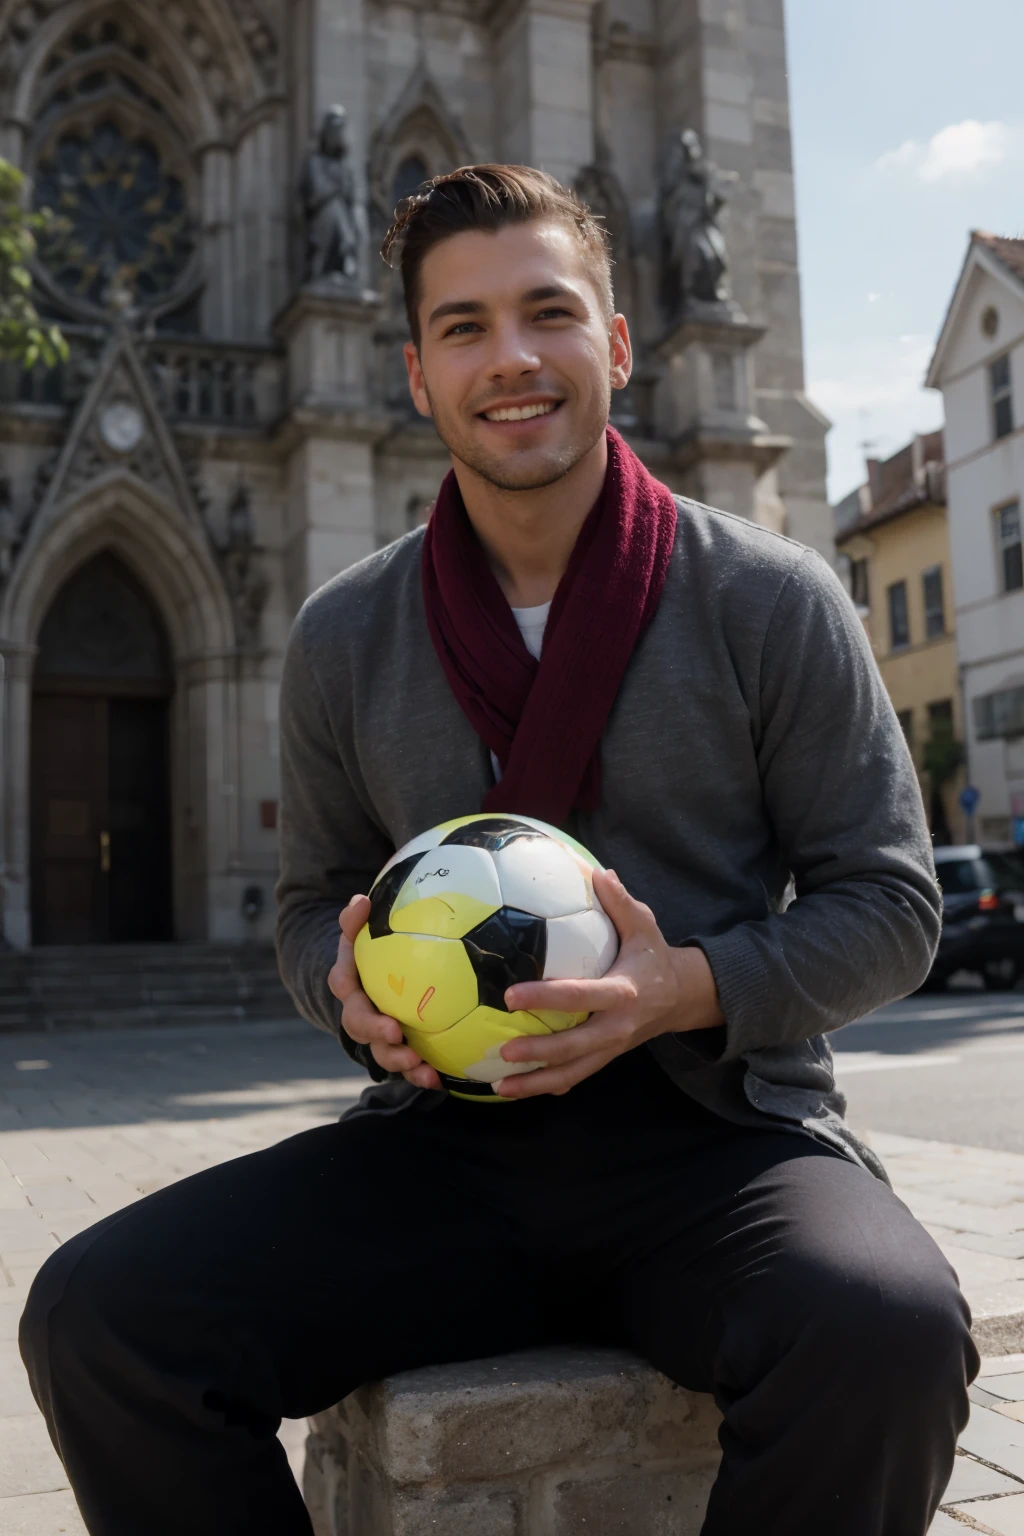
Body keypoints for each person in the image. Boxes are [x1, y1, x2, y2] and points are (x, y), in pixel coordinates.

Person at [20, 164, 977, 1536]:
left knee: (887, 1328)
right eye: (464, 328)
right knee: (98, 1319)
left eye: (548, 313)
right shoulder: (344, 635)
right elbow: (309, 908)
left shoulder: (773, 597)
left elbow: (890, 904)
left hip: (716, 1146)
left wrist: (682, 989)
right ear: (414, 372)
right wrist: (343, 996)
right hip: (444, 1158)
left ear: (618, 343)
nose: (511, 359)